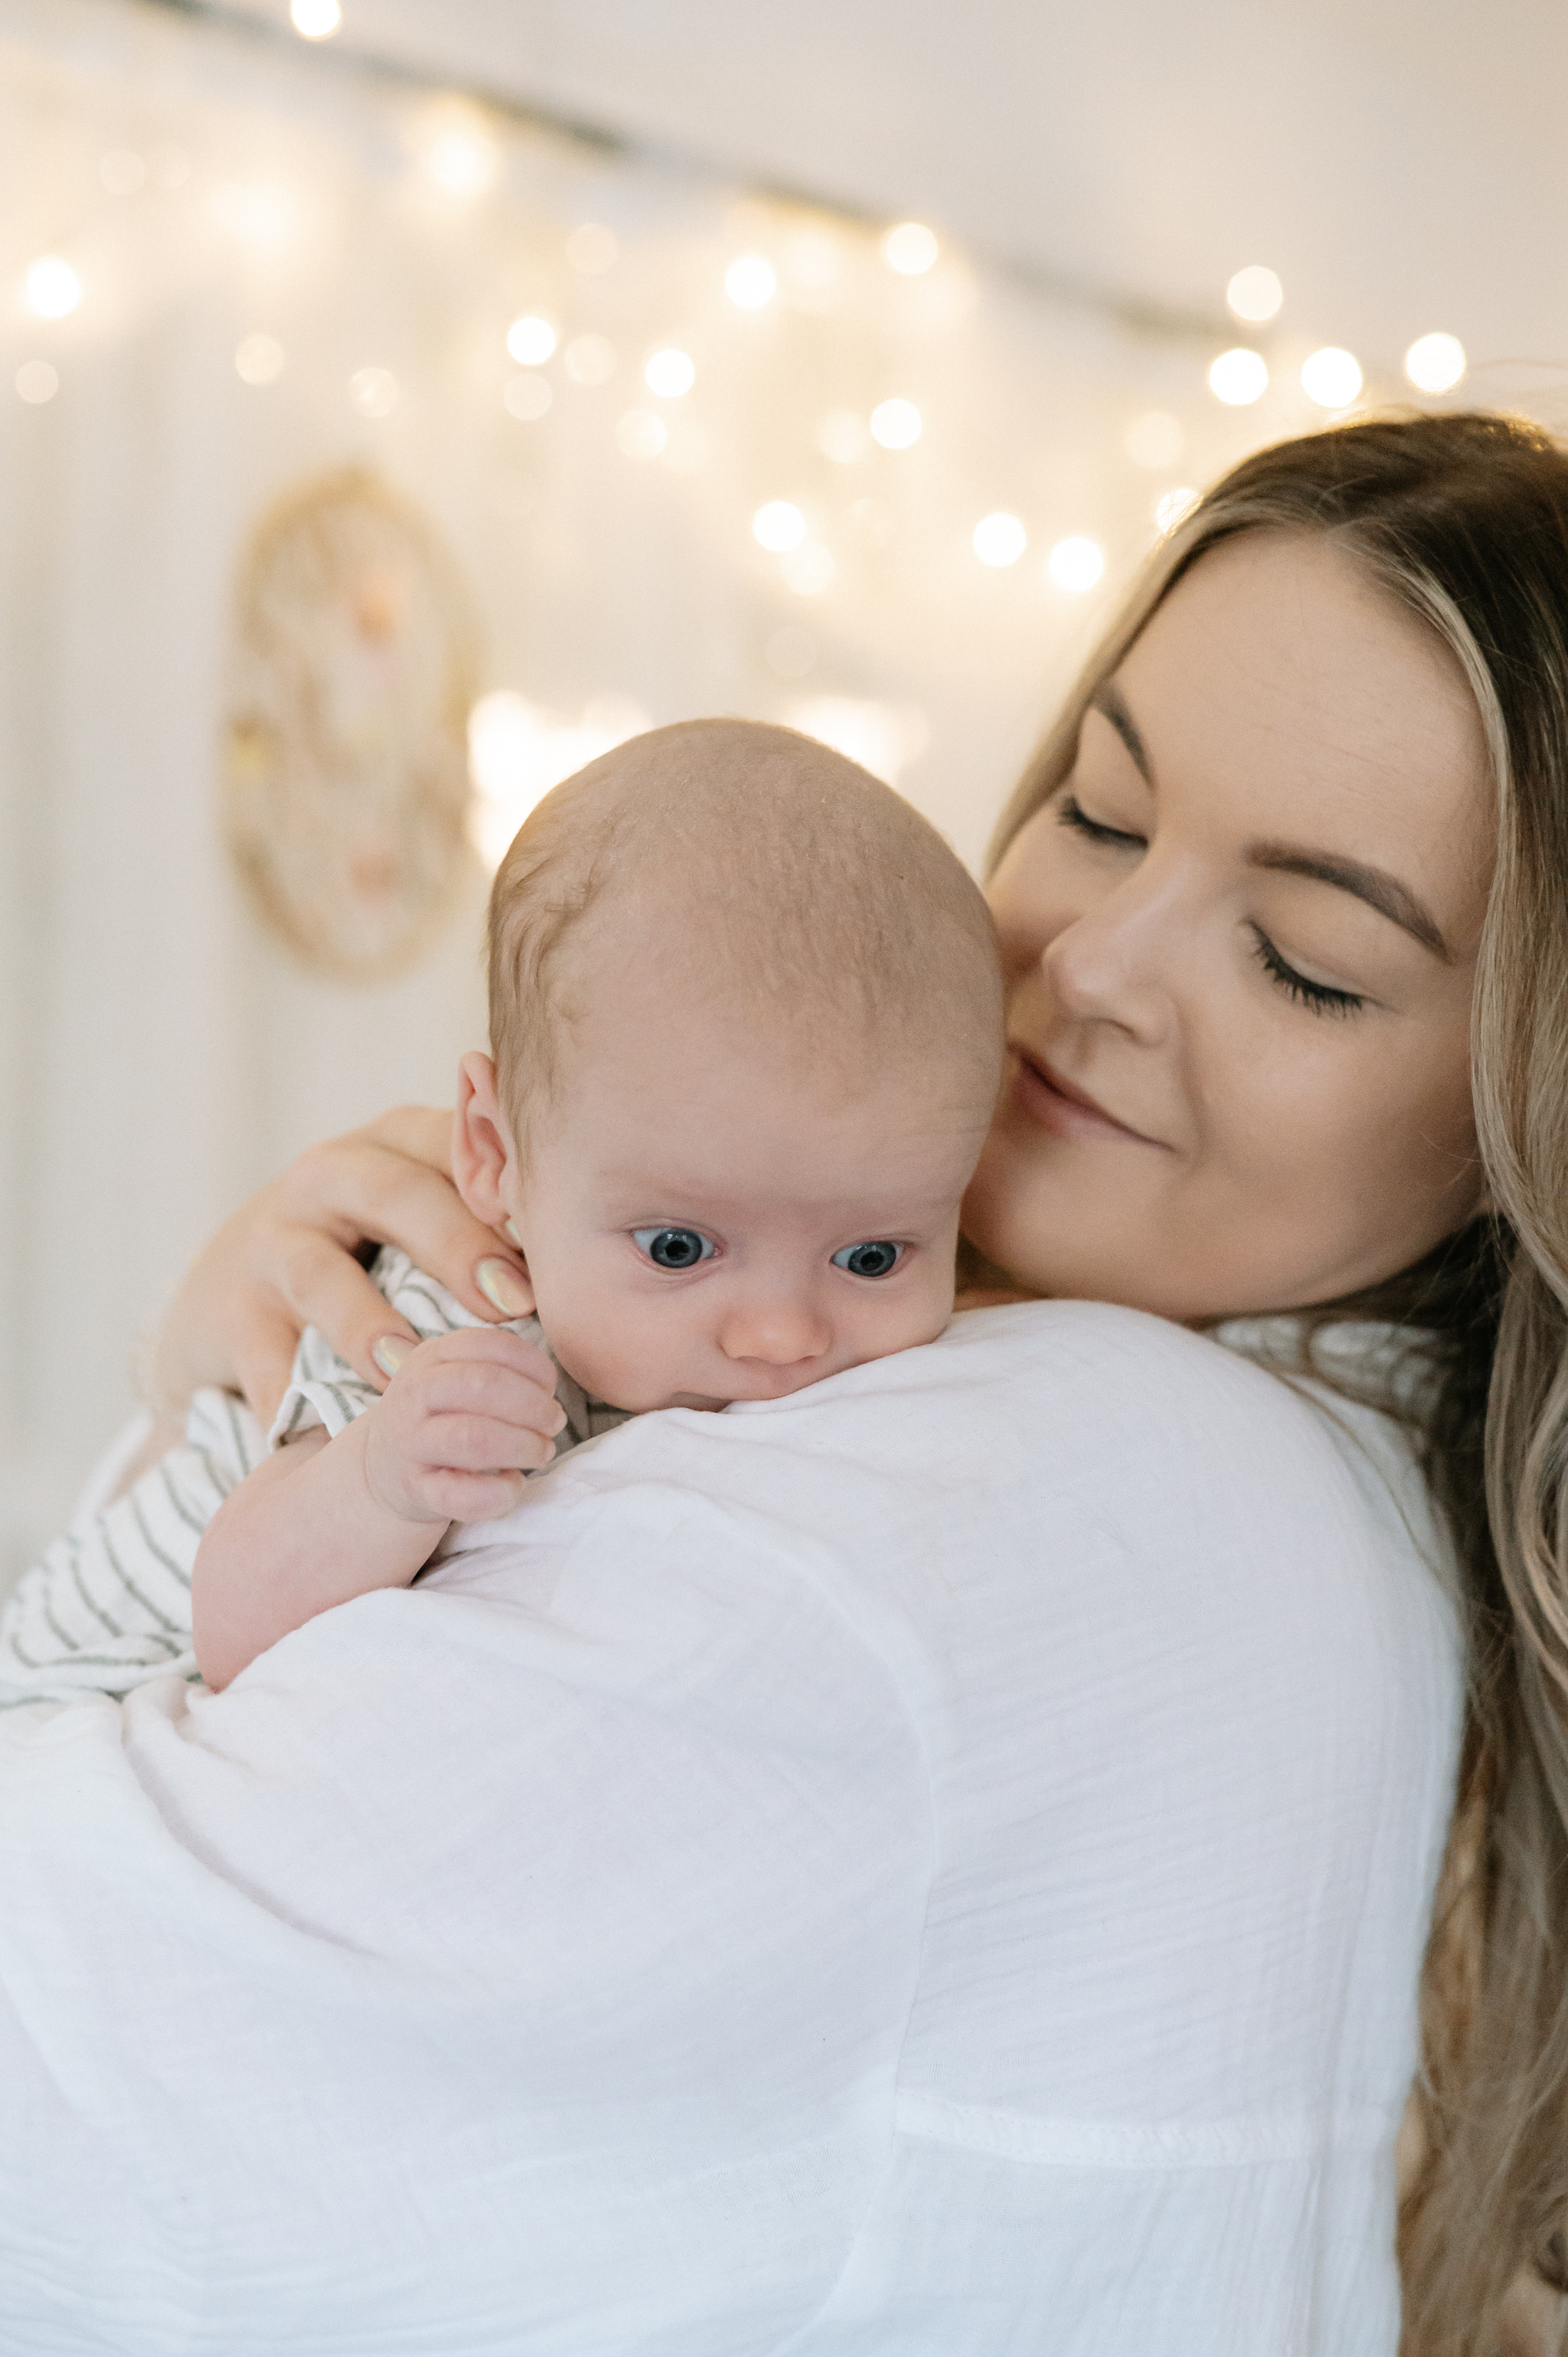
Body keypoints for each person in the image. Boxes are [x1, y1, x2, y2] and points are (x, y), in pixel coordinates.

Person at [2, 410, 1562, 2357]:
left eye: (1308, 961)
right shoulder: (1232, 1472)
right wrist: (225, 1386)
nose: (1087, 969)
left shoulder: (1041, 1485)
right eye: (1094, 809)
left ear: (1527, 1117)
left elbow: (68, 2067)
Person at [0, 721, 1002, 1696]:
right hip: (76, 1684)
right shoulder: (461, 1325)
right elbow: (235, 1621)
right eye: (678, 1245)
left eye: (872, 1257)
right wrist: (384, 1476)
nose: (783, 1335)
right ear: (493, 1154)